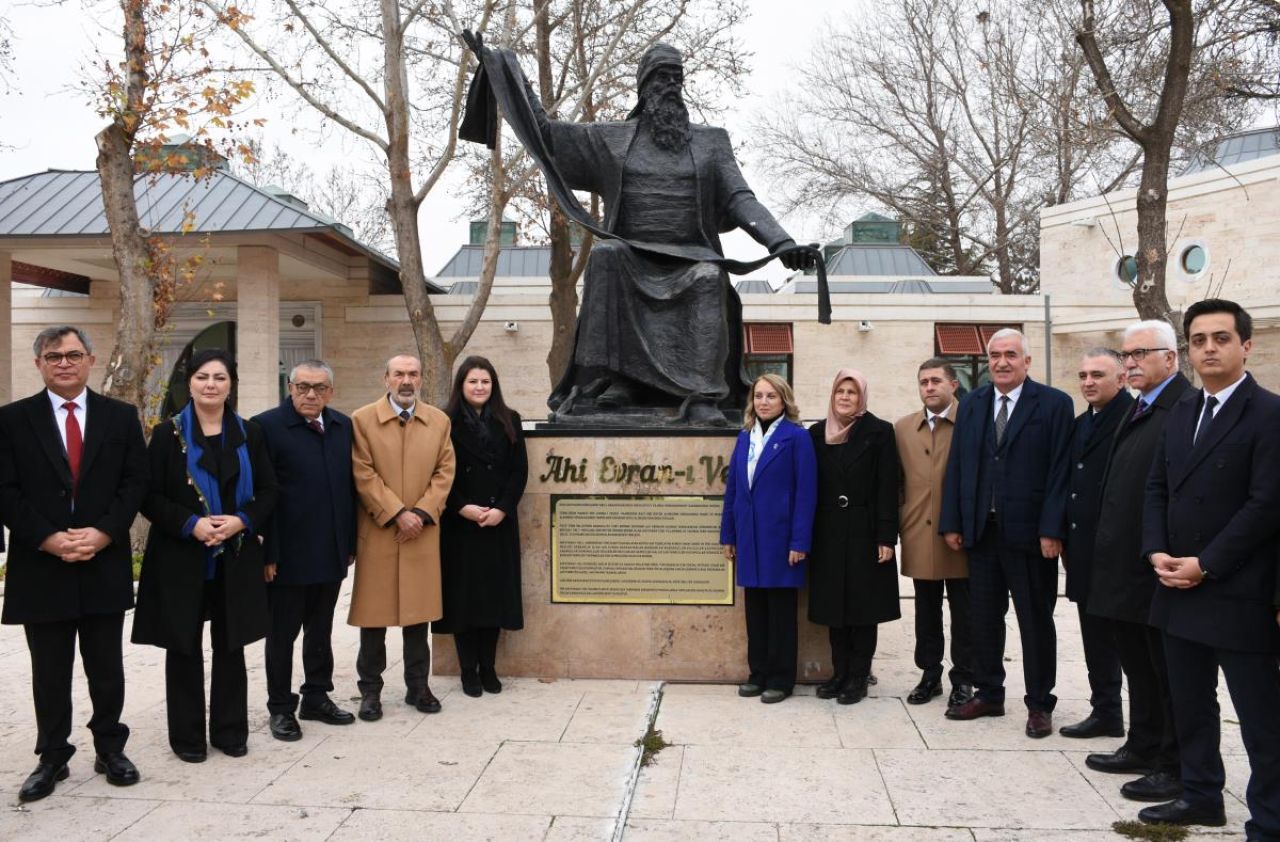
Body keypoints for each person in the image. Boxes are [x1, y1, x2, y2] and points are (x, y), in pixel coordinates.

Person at [461, 38, 817, 425]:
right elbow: (548, 135)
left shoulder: (712, 142)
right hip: (631, 257)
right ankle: (620, 381)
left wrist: (781, 243)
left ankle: (701, 396)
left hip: (692, 259)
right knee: (606, 255)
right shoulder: (611, 139)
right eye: (661, 77)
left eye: (677, 78)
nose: (670, 85)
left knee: (709, 277)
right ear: (643, 86)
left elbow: (740, 199)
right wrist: (502, 68)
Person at [1139, 299, 1280, 836]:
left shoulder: (1270, 414)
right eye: (1199, 340)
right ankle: (1200, 795)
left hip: (1238, 590)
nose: (1209, 349)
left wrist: (1207, 564)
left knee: (1261, 720)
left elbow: (1266, 505)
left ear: (1246, 345)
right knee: (1190, 705)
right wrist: (1157, 552)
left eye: (1221, 338)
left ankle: (1269, 821)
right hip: (1176, 586)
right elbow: (1157, 486)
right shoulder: (1183, 412)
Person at [0, 326, 147, 800]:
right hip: (41, 565)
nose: (64, 363)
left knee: (106, 666)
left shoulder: (120, 418)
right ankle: (52, 756)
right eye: (53, 356)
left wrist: (104, 532)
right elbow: (5, 491)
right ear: (39, 364)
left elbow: (134, 484)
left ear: (91, 359)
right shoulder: (11, 420)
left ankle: (110, 748)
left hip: (103, 560)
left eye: (73, 354)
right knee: (50, 669)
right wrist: (47, 538)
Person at [133, 348, 278, 763]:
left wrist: (241, 520)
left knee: (231, 647)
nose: (210, 384)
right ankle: (187, 737)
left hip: (234, 555)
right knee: (183, 649)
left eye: (219, 377)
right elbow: (149, 495)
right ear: (189, 383)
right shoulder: (167, 434)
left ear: (231, 384)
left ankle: (230, 732)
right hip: (181, 558)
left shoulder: (250, 433)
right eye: (202, 377)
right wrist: (189, 523)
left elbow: (269, 491)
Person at [940, 328, 1073, 739]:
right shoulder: (974, 403)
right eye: (994, 355)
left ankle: (1039, 704)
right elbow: (958, 465)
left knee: (1034, 621)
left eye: (1010, 355)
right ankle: (989, 693)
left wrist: (1053, 529)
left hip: (1032, 537)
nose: (1001, 362)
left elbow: (1060, 472)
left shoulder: (1053, 404)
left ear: (1027, 361)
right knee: (983, 620)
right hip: (982, 533)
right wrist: (953, 522)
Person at [1086, 321, 1191, 804]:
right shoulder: (1141, 407)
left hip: (1157, 569)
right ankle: (1143, 744)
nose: (1130, 363)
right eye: (1126, 355)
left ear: (1170, 358)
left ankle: (1173, 764)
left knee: (1166, 672)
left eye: (1140, 354)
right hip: (1123, 566)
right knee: (1139, 667)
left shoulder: (1182, 408)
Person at [252, 360, 357, 741]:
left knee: (321, 630)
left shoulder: (343, 426)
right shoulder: (265, 427)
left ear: (331, 391)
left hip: (330, 551)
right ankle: (281, 708)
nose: (311, 395)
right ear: (290, 387)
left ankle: (316, 695)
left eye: (320, 388)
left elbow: (349, 489)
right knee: (282, 635)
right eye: (302, 387)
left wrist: (348, 543)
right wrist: (268, 553)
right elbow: (262, 496)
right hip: (287, 555)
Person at [349, 354, 456, 720]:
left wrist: (422, 513)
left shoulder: (439, 421)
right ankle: (370, 691)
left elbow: (445, 471)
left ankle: (418, 687)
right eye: (399, 374)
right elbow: (363, 473)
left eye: (413, 374)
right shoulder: (362, 420)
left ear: (421, 379)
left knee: (418, 615)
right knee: (373, 618)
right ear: (386, 379)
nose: (406, 380)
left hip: (421, 533)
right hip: (381, 531)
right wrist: (397, 513)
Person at [720, 373, 817, 704]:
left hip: (781, 541)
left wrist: (799, 542)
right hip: (749, 539)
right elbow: (733, 490)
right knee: (756, 612)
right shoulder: (745, 437)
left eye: (770, 396)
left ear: (784, 400)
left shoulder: (797, 438)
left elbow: (806, 494)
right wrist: (728, 535)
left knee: (780, 614)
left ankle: (780, 678)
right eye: (758, 396)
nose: (763, 402)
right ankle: (757, 673)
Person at [436, 357, 528, 697]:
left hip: (498, 523)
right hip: (460, 523)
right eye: (473, 381)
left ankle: (489, 667)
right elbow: (437, 472)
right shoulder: (444, 422)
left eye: (485, 382)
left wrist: (502, 509)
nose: (479, 387)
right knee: (464, 600)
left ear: (494, 385)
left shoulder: (510, 420)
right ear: (461, 385)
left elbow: (519, 471)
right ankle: (467, 670)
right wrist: (462, 507)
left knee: (494, 598)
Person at [807, 369, 899, 705]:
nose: (845, 397)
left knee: (863, 608)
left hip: (865, 531)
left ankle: (859, 677)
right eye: (840, 392)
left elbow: (888, 487)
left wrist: (886, 537)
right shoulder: (816, 434)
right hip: (828, 532)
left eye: (852, 392)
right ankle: (839, 672)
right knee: (834, 607)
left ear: (862, 397)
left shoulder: (880, 432)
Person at [1059, 349, 1132, 739]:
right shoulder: (1080, 423)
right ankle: (1106, 710)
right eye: (1083, 375)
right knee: (1094, 635)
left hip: (1120, 553)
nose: (1088, 382)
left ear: (1121, 379)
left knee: (1128, 642)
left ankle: (1147, 727)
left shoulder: (1133, 419)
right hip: (1084, 550)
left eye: (1098, 375)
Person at [895, 358, 973, 711]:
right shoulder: (902, 429)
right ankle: (929, 674)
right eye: (923, 381)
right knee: (925, 611)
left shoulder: (972, 423)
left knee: (965, 611)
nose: (929, 387)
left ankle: (964, 679)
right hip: (917, 534)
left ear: (953, 385)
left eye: (936, 381)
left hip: (960, 537)